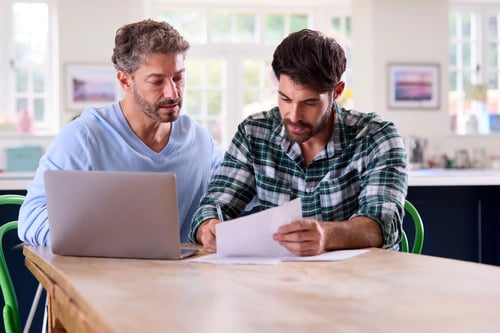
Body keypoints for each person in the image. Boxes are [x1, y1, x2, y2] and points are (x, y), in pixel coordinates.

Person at [189, 29, 408, 256]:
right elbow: (213, 206)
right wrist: (208, 227)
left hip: (359, 281)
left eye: (310, 103)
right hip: (278, 281)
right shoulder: (254, 133)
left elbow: (380, 227)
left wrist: (326, 235)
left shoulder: (377, 137)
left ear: (337, 92)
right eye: (285, 99)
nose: (294, 115)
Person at [18, 19, 223, 245]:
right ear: (125, 81)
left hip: (184, 277)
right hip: (104, 276)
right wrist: (100, 240)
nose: (172, 92)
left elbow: (229, 201)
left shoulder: (201, 141)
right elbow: (31, 218)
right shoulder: (83, 138)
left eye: (178, 78)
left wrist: (212, 222)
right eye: (156, 81)